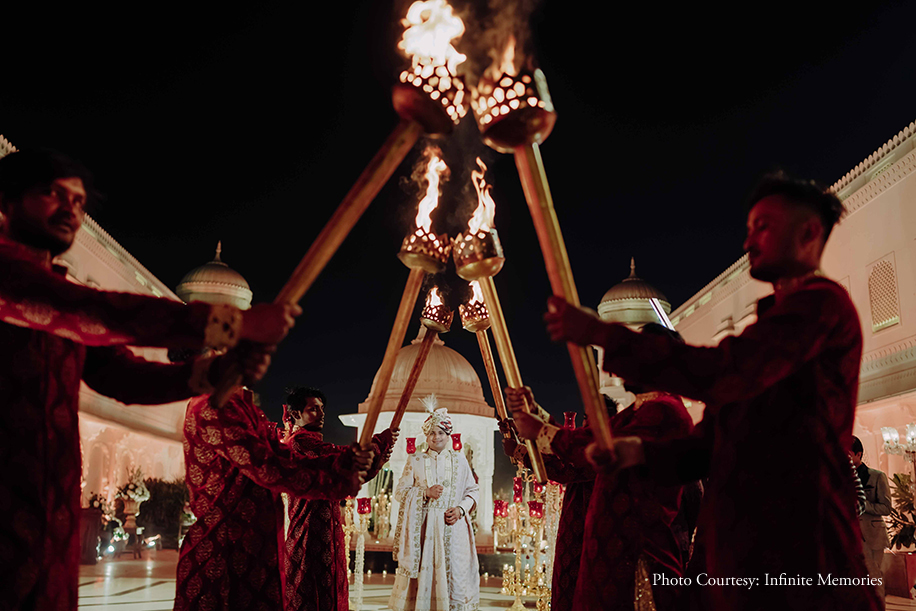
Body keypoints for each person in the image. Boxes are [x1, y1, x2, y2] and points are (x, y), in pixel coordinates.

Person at [538, 171, 881, 609]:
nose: (748, 242)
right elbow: (715, 439)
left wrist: (606, 336)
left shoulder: (822, 308)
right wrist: (639, 455)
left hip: (798, 540)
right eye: (748, 228)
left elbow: (727, 370)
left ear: (809, 232)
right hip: (740, 550)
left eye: (763, 227)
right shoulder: (772, 331)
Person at [0, 149, 298, 611]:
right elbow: (93, 311)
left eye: (79, 201)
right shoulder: (17, 281)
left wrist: (211, 373)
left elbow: (122, 376)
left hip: (45, 514)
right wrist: (232, 325)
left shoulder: (60, 298)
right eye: (51, 194)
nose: (70, 210)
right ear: (6, 199)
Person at [513, 324, 694, 610]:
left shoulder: (665, 411)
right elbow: (592, 437)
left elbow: (601, 448)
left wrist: (542, 432)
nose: (621, 367)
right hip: (614, 553)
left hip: (638, 558)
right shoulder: (641, 410)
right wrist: (536, 414)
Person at [176, 389, 372, 610]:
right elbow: (268, 467)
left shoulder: (242, 407)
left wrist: (347, 463)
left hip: (254, 548)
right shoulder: (213, 409)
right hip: (225, 549)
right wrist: (341, 474)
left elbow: (286, 460)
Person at [281, 386, 398, 611]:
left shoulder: (311, 443)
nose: (322, 414)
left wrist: (377, 458)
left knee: (326, 587)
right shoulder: (301, 443)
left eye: (322, 408)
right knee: (310, 590)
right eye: (313, 409)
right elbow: (339, 458)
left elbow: (342, 475)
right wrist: (378, 443)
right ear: (296, 414)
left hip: (323, 525)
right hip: (309, 530)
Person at [500, 391, 607, 611]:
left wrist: (520, 451)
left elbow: (563, 467)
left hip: (588, 531)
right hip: (578, 528)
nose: (583, 424)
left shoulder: (601, 448)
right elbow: (561, 444)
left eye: (587, 418)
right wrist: (525, 426)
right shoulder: (592, 443)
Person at [389, 399, 480, 611]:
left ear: (448, 436)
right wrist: (424, 493)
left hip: (454, 527)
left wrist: (460, 509)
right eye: (431, 433)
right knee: (424, 574)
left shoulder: (460, 460)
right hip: (424, 528)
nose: (436, 437)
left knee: (455, 574)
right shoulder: (416, 460)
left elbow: (473, 490)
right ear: (426, 436)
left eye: (441, 432)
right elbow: (400, 492)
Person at [852, 436, 891, 607]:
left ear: (858, 454)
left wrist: (862, 504)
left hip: (872, 536)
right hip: (851, 536)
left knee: (875, 579)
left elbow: (886, 508)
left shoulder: (876, 476)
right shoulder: (841, 477)